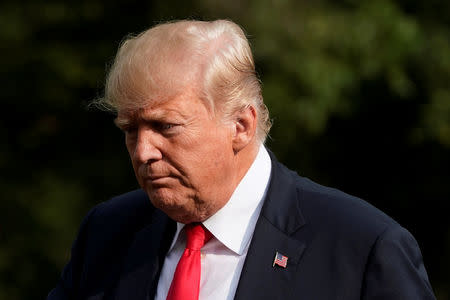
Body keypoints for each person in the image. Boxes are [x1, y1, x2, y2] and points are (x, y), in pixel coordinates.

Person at [47, 19, 436, 300]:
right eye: (131, 130)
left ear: (241, 125)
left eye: (165, 127)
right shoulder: (107, 234)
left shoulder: (361, 247)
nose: (143, 151)